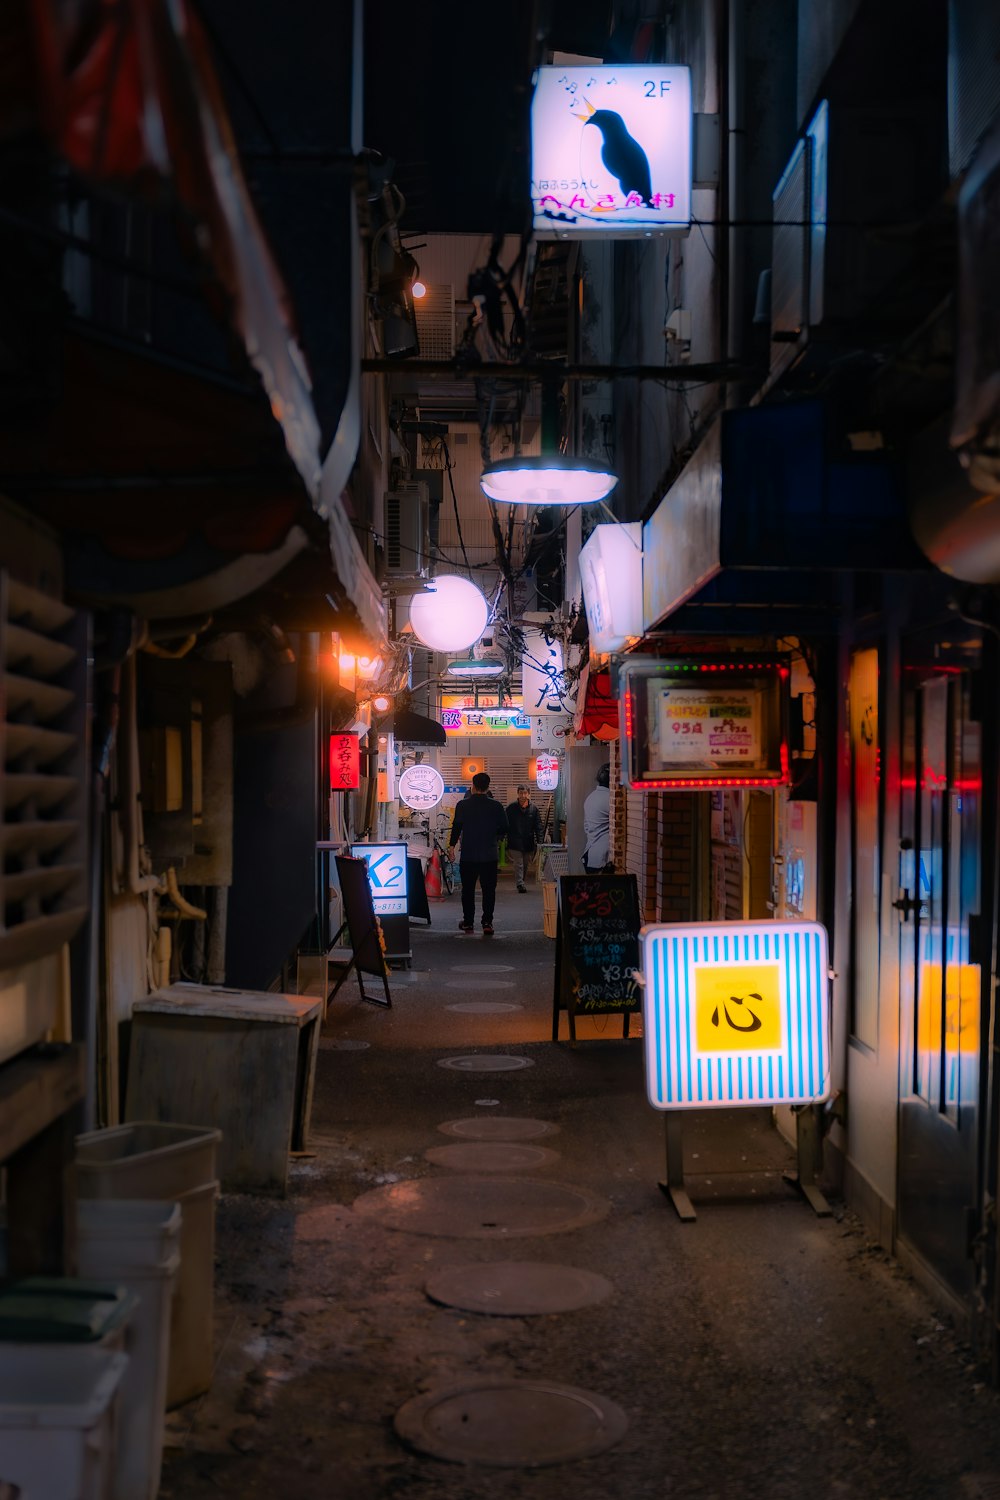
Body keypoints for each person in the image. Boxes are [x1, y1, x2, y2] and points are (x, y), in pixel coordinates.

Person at [448, 772, 509, 934]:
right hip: (489, 855)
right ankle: (487, 923)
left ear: (473, 786)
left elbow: (456, 827)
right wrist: (494, 836)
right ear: (488, 787)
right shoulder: (496, 806)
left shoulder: (463, 805)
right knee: (489, 890)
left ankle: (468, 922)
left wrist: (451, 846)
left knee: (467, 890)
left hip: (469, 855)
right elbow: (504, 827)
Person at [505, 785, 543, 892]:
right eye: (521, 793)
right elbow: (504, 824)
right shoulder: (511, 808)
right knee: (519, 863)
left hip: (528, 841)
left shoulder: (533, 809)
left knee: (526, 864)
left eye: (525, 793)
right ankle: (520, 884)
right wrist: (501, 836)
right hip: (515, 841)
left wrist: (540, 841)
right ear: (518, 793)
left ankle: (522, 881)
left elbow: (538, 825)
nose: (523, 795)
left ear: (528, 794)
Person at [582, 761, 613, 873]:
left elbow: (586, 827)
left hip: (590, 854)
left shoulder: (591, 797)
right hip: (603, 859)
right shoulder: (610, 799)